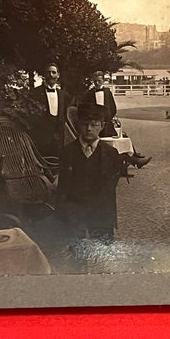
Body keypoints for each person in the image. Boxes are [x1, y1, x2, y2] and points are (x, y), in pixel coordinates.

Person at [56, 103, 124, 244]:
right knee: (77, 252)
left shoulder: (111, 154)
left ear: (102, 126)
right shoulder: (68, 152)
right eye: (85, 124)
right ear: (78, 125)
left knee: (104, 253)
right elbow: (63, 187)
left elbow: (110, 187)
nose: (89, 129)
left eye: (94, 125)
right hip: (75, 210)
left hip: (101, 211)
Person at [81, 71, 151, 168]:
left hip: (107, 124)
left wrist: (107, 119)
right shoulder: (89, 94)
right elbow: (86, 110)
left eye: (99, 81)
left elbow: (113, 108)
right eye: (95, 81)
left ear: (103, 81)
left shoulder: (107, 92)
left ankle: (135, 158)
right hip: (95, 126)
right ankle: (133, 160)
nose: (97, 83)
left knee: (121, 139)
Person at [26, 63, 71, 158]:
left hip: (58, 138)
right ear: (44, 75)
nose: (51, 75)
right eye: (48, 72)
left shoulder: (63, 95)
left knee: (57, 164)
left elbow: (64, 115)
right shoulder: (35, 93)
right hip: (41, 137)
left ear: (58, 75)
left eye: (53, 72)